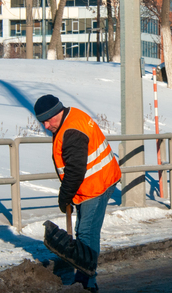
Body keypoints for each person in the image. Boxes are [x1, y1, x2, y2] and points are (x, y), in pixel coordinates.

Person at [34, 94, 121, 292]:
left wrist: (65, 195)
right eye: (42, 122)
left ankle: (87, 282)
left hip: (97, 185)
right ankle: (85, 277)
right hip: (95, 181)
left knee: (86, 232)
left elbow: (75, 171)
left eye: (48, 120)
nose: (46, 126)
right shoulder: (71, 116)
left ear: (58, 112)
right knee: (86, 231)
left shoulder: (71, 131)